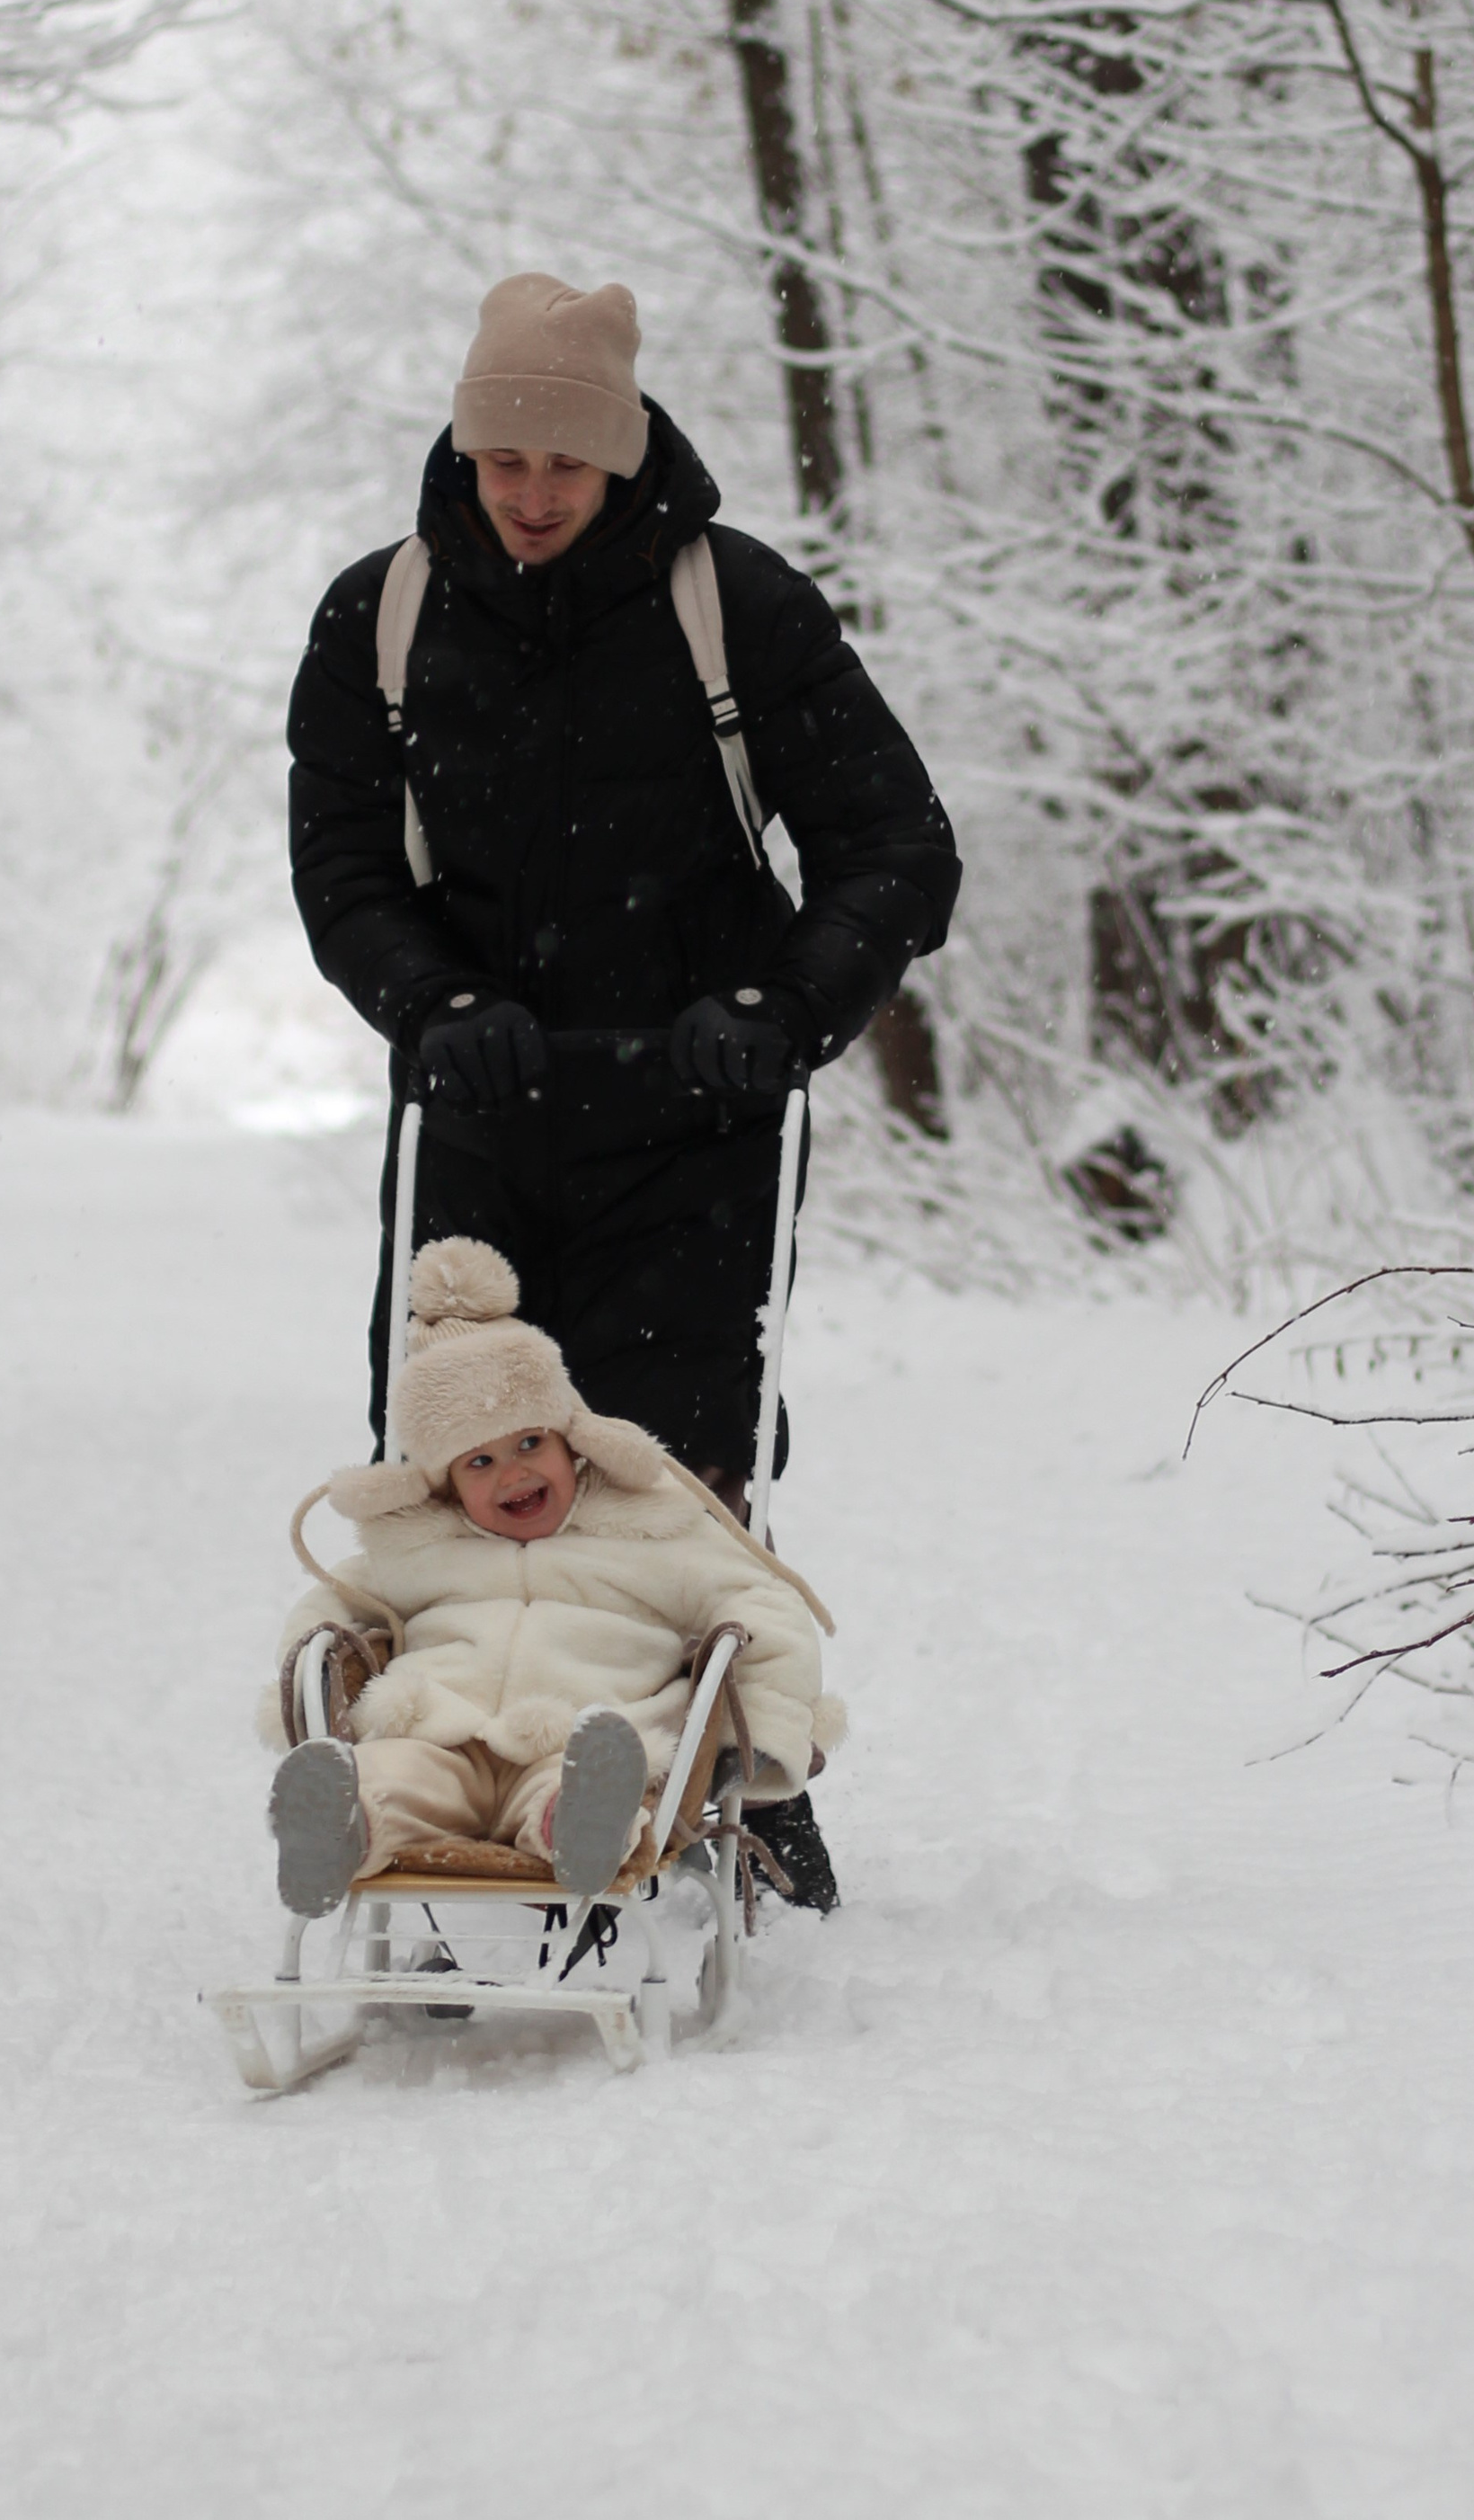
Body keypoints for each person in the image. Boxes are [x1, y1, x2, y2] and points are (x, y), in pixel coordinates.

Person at [288, 271, 959, 1911]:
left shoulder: (736, 604)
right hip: (481, 1103)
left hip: (696, 1108)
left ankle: (717, 1772)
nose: (531, 496)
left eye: (564, 468)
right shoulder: (378, 614)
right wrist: (433, 1002)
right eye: (504, 461)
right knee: (463, 1462)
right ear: (465, 448)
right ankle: (422, 1799)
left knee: (671, 1464)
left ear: (623, 455)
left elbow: (896, 847)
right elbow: (343, 866)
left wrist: (780, 1006)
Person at [266, 1238, 839, 1918]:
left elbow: (761, 1603)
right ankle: (340, 1827)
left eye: (530, 1443)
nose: (513, 1473)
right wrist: (305, 1684)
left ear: (575, 1441)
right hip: (438, 1734)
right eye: (477, 1462)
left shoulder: (649, 1533)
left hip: (585, 1736)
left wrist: (768, 1722)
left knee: (582, 1784)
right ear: (444, 1484)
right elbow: (325, 1608)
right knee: (391, 1778)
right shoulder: (418, 1548)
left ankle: (577, 1828)